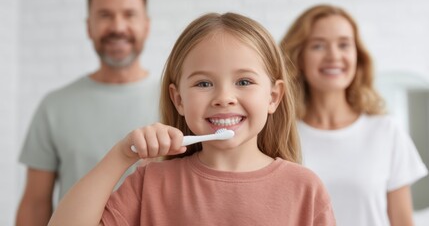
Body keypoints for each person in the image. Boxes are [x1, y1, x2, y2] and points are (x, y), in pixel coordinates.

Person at [47, 12, 336, 226]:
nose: (224, 97)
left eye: (244, 82)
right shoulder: (150, 182)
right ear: (179, 99)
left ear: (273, 97)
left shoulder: (304, 188)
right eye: (204, 84)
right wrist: (122, 155)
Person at [16, 0, 158, 226]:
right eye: (105, 15)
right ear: (88, 27)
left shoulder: (179, 102)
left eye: (129, 14)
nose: (118, 27)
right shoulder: (54, 106)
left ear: (146, 25)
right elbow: (35, 202)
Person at [280, 4, 428, 226]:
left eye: (344, 44)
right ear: (299, 57)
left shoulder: (385, 131)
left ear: (357, 55)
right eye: (318, 46)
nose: (334, 56)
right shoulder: (281, 134)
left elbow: (402, 222)